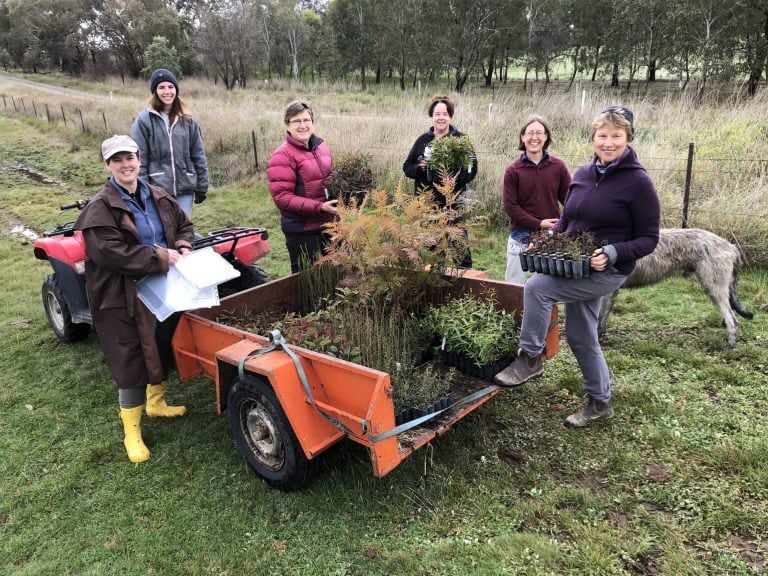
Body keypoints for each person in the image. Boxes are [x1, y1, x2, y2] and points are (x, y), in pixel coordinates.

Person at [493, 106, 660, 428]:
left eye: (616, 136)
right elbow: (568, 218)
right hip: (575, 265)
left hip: (607, 271)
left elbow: (649, 238)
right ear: (594, 138)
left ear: (628, 138)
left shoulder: (638, 182)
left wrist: (613, 252)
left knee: (538, 288)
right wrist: (547, 240)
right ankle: (600, 403)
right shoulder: (583, 173)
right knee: (581, 335)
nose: (608, 142)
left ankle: (530, 358)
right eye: (602, 135)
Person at [76, 135, 195, 463]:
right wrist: (161, 257)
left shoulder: (157, 195)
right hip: (120, 294)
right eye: (117, 160)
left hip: (162, 287)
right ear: (107, 166)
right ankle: (131, 430)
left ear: (139, 159)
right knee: (129, 355)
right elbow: (110, 252)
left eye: (129, 157)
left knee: (159, 343)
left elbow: (185, 226)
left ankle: (156, 402)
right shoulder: (100, 208)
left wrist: (184, 245)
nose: (125, 165)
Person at [403, 94, 478, 268]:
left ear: (450, 116)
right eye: (437, 114)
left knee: (460, 252)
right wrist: (420, 167)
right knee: (433, 253)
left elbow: (472, 169)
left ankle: (464, 287)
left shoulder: (461, 141)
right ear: (432, 116)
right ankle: (437, 290)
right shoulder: (422, 141)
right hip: (428, 205)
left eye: (445, 114)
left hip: (454, 205)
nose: (441, 118)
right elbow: (407, 167)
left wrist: (453, 179)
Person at [266, 100, 337, 273]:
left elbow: (329, 182)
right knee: (307, 282)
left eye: (307, 120)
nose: (303, 125)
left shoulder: (321, 148)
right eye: (296, 121)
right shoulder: (282, 156)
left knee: (332, 277)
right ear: (287, 125)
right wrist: (319, 207)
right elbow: (282, 197)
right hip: (303, 230)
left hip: (329, 226)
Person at [131, 68, 209, 219]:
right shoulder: (143, 121)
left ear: (176, 90)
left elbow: (198, 154)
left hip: (185, 187)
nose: (167, 91)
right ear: (155, 91)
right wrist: (142, 189)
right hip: (157, 189)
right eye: (161, 87)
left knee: (182, 229)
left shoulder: (188, 121)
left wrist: (202, 185)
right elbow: (140, 159)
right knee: (164, 231)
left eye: (170, 87)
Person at [503, 115, 571, 284]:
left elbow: (570, 200)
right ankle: (512, 311)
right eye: (530, 133)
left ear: (546, 137)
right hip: (520, 236)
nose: (535, 137)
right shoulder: (513, 170)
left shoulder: (558, 166)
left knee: (546, 287)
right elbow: (511, 207)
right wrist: (539, 223)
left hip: (550, 235)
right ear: (523, 137)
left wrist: (562, 223)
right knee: (513, 286)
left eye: (539, 133)